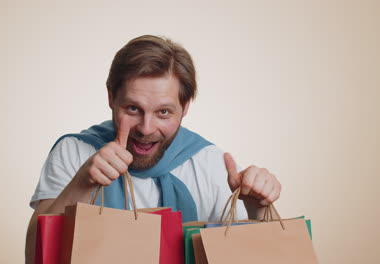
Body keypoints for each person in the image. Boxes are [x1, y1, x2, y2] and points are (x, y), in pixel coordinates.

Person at [25, 35, 282, 263]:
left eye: (164, 112)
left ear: (186, 106)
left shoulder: (211, 162)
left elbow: (242, 258)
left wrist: (256, 210)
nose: (146, 128)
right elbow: (34, 255)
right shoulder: (75, 151)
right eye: (133, 109)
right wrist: (82, 183)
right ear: (111, 98)